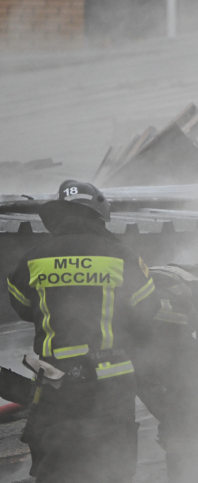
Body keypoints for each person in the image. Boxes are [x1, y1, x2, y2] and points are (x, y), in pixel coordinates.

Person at [6, 180, 159, 482]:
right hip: (111, 383)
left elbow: (23, 306)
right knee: (113, 463)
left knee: (58, 462)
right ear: (98, 215)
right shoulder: (121, 256)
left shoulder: (34, 259)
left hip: (56, 384)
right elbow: (147, 309)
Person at [132, 263, 198, 482]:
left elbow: (142, 377)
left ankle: (184, 441)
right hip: (156, 324)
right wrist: (178, 419)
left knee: (183, 422)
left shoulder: (191, 287)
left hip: (141, 318)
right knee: (184, 429)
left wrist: (170, 417)